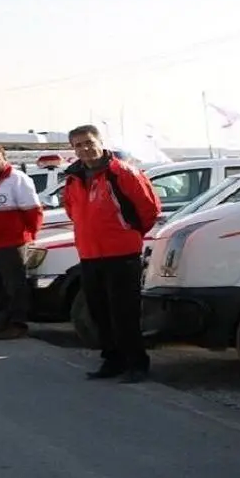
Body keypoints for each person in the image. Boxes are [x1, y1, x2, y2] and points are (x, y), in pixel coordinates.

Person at [62, 125, 161, 382]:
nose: (85, 148)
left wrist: (127, 232)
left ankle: (136, 363)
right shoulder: (73, 178)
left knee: (124, 313)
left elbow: (148, 209)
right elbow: (72, 210)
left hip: (121, 254)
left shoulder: (123, 172)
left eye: (88, 142)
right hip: (89, 254)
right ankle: (113, 360)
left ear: (100, 142)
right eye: (78, 145)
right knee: (99, 312)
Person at [0, 144, 43, 340]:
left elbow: (33, 211)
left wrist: (29, 236)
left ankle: (17, 324)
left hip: (12, 242)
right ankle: (1, 322)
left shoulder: (17, 179)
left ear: (4, 158)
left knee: (15, 286)